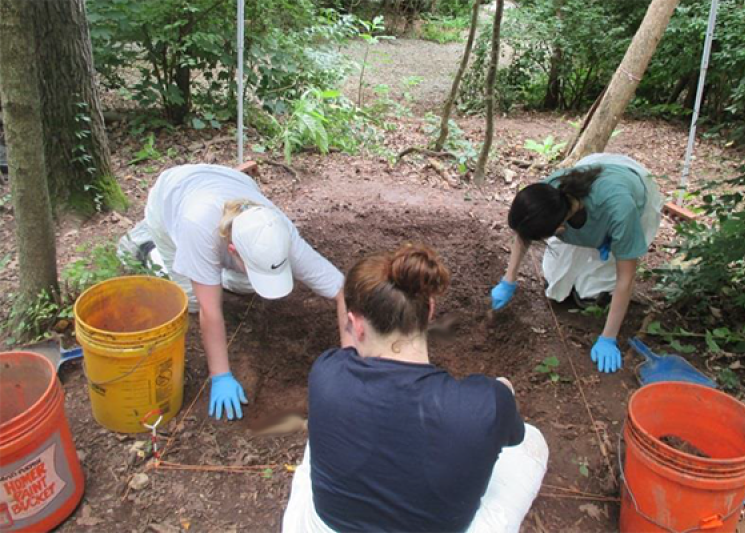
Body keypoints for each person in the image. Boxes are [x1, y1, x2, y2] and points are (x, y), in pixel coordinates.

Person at [283, 243, 549, 533]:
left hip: (324, 527)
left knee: (318, 443)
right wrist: (503, 392)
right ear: (431, 310)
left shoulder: (326, 371)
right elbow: (513, 434)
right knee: (531, 441)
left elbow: (354, 365)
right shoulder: (484, 402)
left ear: (355, 325)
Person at [119, 164, 351, 420]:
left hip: (229, 182)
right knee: (193, 301)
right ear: (232, 252)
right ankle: (145, 245)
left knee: (249, 286)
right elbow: (210, 312)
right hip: (172, 200)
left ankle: (213, 273)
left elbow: (341, 290)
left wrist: (350, 361)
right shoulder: (196, 228)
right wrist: (221, 375)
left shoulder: (278, 233)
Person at [490, 153, 663, 374]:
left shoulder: (621, 211)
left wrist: (608, 337)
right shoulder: (547, 195)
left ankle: (598, 285)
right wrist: (509, 279)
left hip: (633, 189)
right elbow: (524, 234)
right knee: (557, 284)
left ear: (560, 229)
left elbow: (626, 279)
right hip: (592, 177)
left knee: (591, 292)